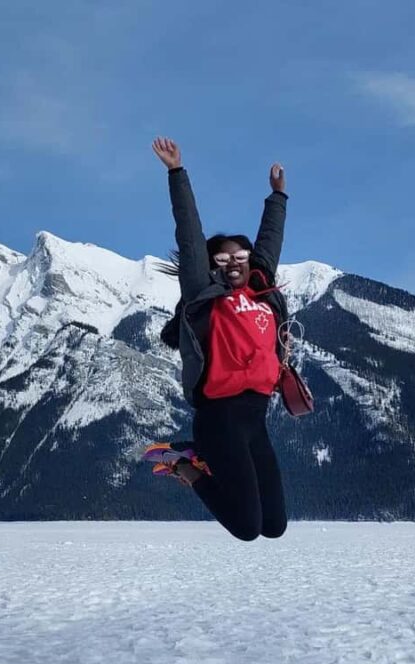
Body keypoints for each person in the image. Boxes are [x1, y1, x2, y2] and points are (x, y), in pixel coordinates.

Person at [149, 136, 289, 542]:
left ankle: (195, 454)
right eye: (223, 259)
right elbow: (190, 235)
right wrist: (177, 172)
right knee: (246, 528)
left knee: (274, 527)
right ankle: (185, 464)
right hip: (219, 418)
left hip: (256, 418)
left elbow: (268, 245)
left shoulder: (261, 291)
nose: (233, 263)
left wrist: (277, 197)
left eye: (240, 258)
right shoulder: (203, 295)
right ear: (212, 266)